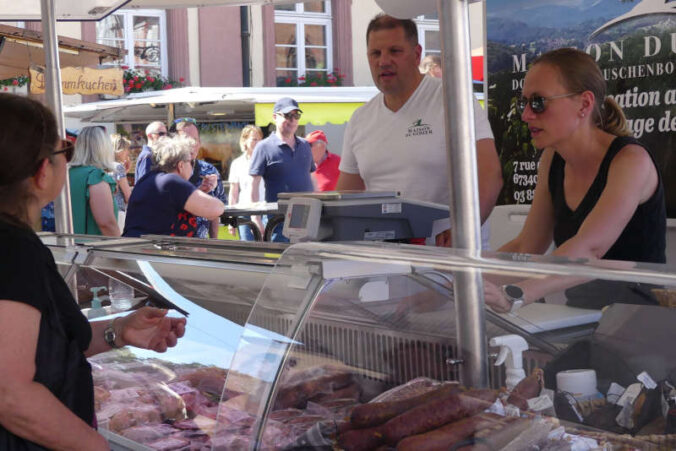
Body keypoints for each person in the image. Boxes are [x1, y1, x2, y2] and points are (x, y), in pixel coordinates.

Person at [0, 92, 186, 450]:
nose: (66, 163)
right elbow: (10, 394)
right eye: (63, 152)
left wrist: (120, 330)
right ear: (41, 172)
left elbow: (43, 346)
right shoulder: (13, 250)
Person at [483, 48, 666, 313]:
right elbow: (527, 246)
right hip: (579, 318)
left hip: (636, 327)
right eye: (523, 103)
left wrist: (516, 295)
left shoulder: (631, 161)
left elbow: (590, 250)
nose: (526, 115)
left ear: (584, 104)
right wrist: (461, 278)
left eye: (538, 102)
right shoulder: (552, 159)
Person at [336, 14, 503, 247]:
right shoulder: (360, 119)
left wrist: (464, 229)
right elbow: (346, 197)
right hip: (384, 264)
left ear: (416, 55)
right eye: (376, 53)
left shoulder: (454, 100)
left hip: (450, 262)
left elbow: (489, 174)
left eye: (394, 51)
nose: (383, 61)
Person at [124, 135, 226, 238]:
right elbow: (215, 209)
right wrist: (213, 192)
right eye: (191, 162)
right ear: (180, 165)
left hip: (140, 249)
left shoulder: (151, 179)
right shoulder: (172, 182)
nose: (193, 166)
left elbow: (173, 205)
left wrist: (200, 191)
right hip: (153, 251)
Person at [250, 97, 315, 242]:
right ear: (275, 117)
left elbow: (311, 177)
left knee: (307, 261)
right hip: (279, 220)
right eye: (287, 115)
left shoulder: (305, 145)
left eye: (296, 115)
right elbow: (254, 184)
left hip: (307, 217)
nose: (292, 120)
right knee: (279, 261)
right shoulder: (264, 147)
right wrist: (255, 217)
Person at [175, 117, 227, 239]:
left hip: (201, 243)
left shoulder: (209, 170)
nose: (192, 145)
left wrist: (214, 242)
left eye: (195, 140)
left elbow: (218, 208)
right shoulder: (168, 171)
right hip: (175, 243)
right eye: (187, 140)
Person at [69, 126, 120, 236]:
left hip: (65, 247)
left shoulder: (66, 174)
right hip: (92, 249)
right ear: (104, 148)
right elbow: (107, 224)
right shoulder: (96, 176)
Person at [228, 125, 266, 241]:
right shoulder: (237, 163)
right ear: (244, 140)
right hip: (244, 211)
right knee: (247, 248)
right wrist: (231, 219)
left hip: (265, 210)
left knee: (263, 248)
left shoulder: (267, 161)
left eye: (260, 139)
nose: (258, 142)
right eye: (254, 139)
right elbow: (233, 193)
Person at [111, 133, 132, 215]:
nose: (128, 152)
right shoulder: (118, 167)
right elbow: (128, 196)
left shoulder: (105, 165)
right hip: (119, 211)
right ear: (119, 151)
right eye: (126, 149)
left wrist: (125, 172)